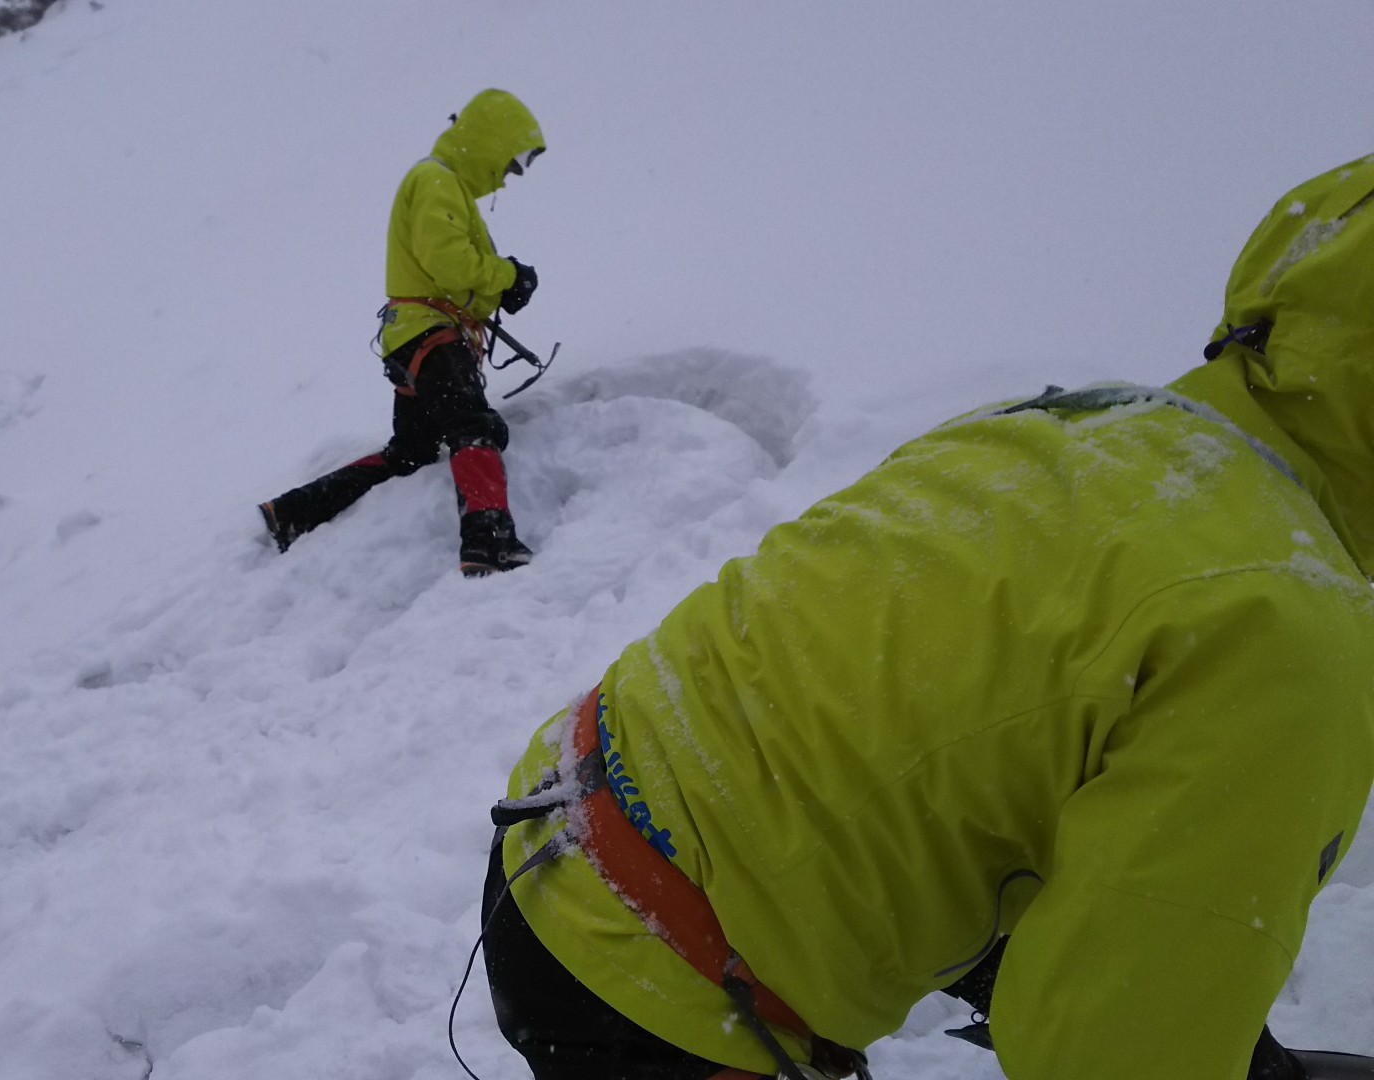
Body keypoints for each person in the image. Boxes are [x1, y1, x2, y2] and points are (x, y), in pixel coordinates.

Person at [482, 152, 1374, 1080]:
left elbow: (962, 721)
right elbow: (1109, 1056)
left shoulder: (1077, 424)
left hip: (558, 824)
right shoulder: (1289, 629)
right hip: (660, 982)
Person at [259, 89, 546, 577]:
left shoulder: (438, 185)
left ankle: (295, 513)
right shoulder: (437, 181)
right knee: (474, 426)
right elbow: (450, 263)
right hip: (433, 337)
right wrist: (508, 277)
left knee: (412, 453)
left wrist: (498, 291)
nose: (508, 177)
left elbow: (441, 268)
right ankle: (489, 541)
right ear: (490, 142)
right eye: (511, 162)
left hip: (412, 337)